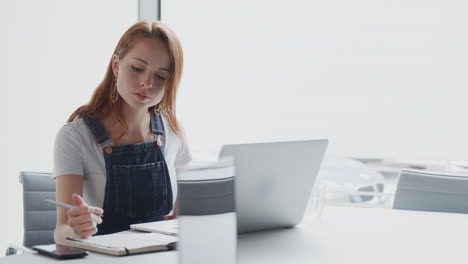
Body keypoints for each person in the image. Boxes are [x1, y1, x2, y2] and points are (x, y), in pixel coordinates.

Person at [52, 20, 191, 244]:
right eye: (137, 68)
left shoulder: (172, 131)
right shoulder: (74, 136)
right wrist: (75, 230)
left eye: (160, 76)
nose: (146, 82)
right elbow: (61, 230)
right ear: (116, 65)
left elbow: (192, 200)